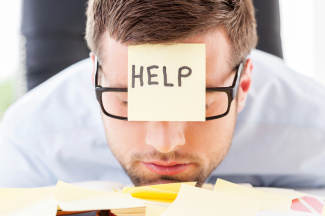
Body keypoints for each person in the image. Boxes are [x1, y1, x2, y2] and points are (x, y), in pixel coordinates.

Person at [1, 0, 325, 188]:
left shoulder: (313, 129)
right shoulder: (30, 143)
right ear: (94, 76)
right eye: (129, 101)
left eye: (199, 103)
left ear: (242, 86)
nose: (165, 143)